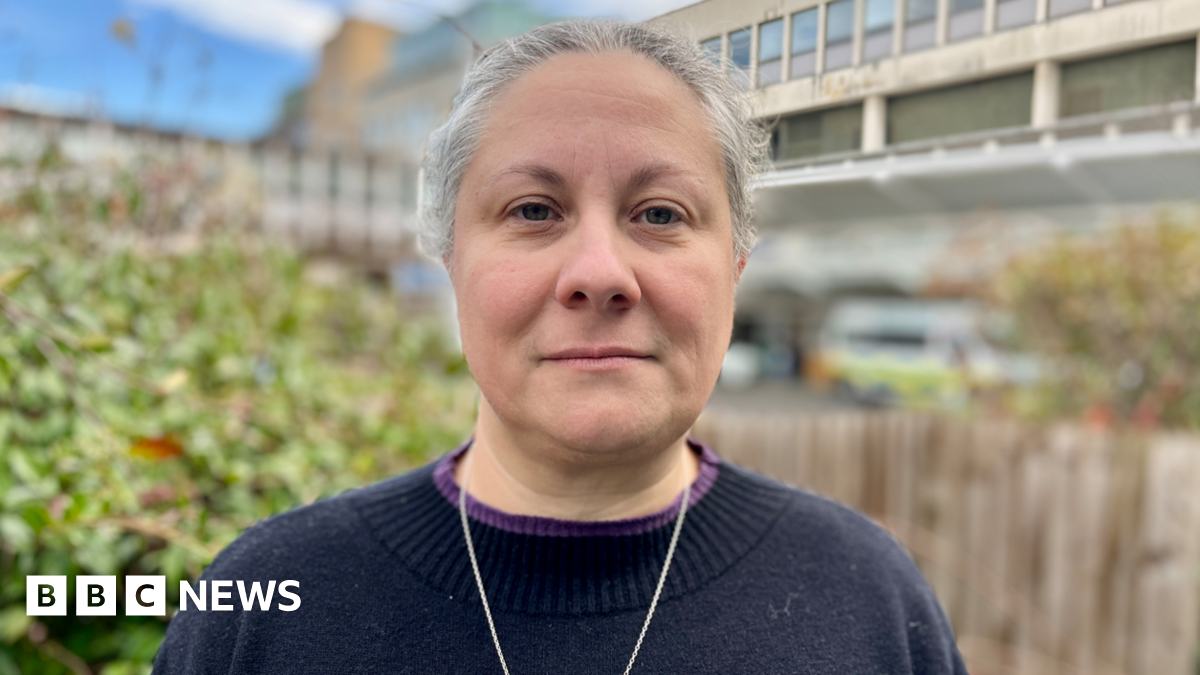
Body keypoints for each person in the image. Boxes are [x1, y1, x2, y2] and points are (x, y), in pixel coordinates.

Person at [153, 20, 967, 674]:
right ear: (451, 261)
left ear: (736, 269)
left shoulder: (871, 600)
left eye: (660, 213)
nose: (599, 274)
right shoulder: (261, 608)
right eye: (533, 210)